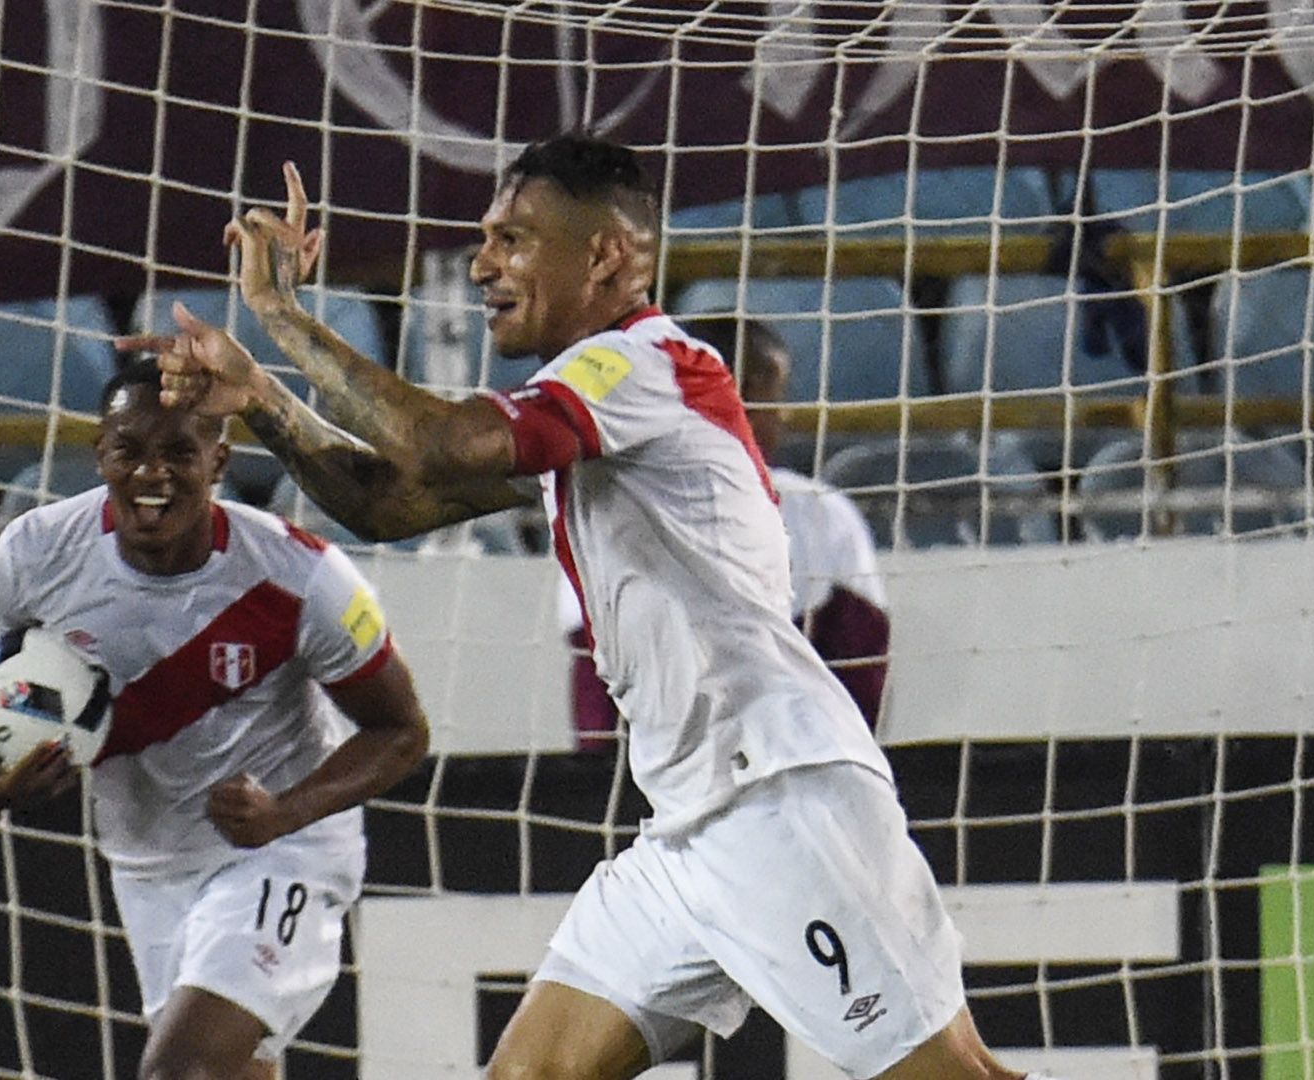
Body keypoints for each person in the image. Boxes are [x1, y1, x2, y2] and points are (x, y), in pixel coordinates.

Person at [146, 137, 1026, 1079]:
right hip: (688, 824)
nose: (484, 263)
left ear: (606, 255)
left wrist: (281, 317)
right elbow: (386, 503)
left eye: (513, 239)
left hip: (779, 796)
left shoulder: (646, 364)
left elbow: (442, 444)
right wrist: (263, 399)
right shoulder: (579, 417)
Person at [0, 359, 430, 1080]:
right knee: (233, 1071)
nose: (152, 474)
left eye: (179, 453)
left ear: (218, 461)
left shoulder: (302, 578)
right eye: (129, 450)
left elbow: (402, 730)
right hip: (145, 864)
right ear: (100, 454)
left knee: (178, 1072)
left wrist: (285, 814)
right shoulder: (39, 551)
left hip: (278, 852)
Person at [564, 315, 891, 752]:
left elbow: (860, 671)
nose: (781, 415)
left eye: (773, 394)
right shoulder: (603, 507)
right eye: (761, 394)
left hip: (797, 770)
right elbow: (595, 688)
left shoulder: (821, 514)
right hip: (660, 782)